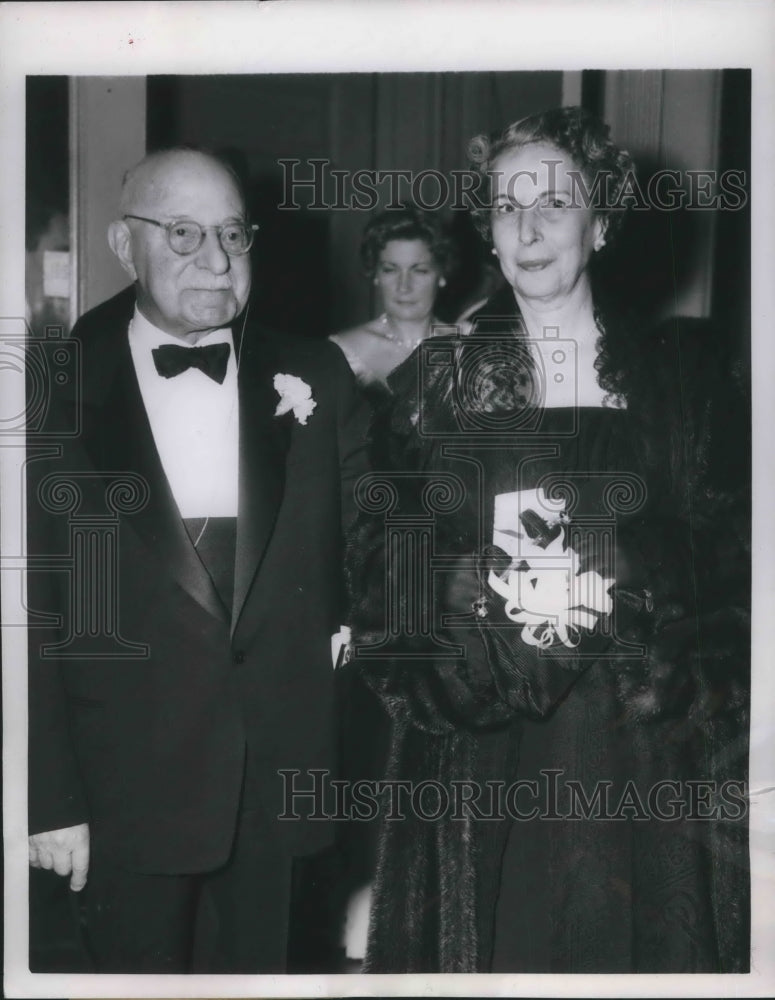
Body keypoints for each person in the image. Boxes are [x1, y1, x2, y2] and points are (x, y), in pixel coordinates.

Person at [348, 107, 750, 973]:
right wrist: (486, 591)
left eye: (554, 204)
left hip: (638, 747)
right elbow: (384, 572)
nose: (527, 229)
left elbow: (735, 557)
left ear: (600, 224)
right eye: (503, 207)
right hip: (485, 744)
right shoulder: (434, 388)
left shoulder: (682, 380)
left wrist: (626, 565)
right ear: (487, 234)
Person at [26, 147, 368, 973]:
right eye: (182, 233)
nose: (215, 261)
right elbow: (34, 613)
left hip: (276, 787)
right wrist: (48, 800)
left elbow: (373, 547)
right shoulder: (51, 390)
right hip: (121, 797)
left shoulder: (313, 373)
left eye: (232, 234)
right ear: (121, 243)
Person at [330, 205, 456, 389]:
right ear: (375, 275)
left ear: (441, 274)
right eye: (390, 270)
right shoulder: (343, 352)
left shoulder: (470, 346)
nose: (404, 286)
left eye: (420, 271)